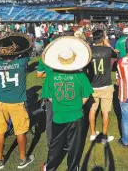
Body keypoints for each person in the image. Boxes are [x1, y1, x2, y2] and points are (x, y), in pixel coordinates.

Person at [41, 36, 94, 171]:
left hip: (58, 114)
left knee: (55, 143)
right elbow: (86, 96)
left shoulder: (51, 76)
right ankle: (72, 167)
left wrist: (60, 103)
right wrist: (76, 105)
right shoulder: (81, 76)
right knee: (74, 145)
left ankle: (50, 166)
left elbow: (49, 97)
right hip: (76, 115)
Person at [0, 33, 34, 169]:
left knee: (0, 131)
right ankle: (23, 159)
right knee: (20, 131)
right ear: (15, 50)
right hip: (17, 102)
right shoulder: (22, 61)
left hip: (1, 102)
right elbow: (28, 48)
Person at [87, 30, 117, 144]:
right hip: (106, 85)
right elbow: (115, 54)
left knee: (92, 110)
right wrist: (108, 44)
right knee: (105, 112)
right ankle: (104, 136)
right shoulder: (108, 50)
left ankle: (93, 133)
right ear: (103, 38)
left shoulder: (89, 50)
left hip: (93, 85)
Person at [36, 57, 53, 149]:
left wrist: (49, 74)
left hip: (49, 90)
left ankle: (50, 143)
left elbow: (39, 74)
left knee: (50, 118)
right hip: (64, 88)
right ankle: (64, 141)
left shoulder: (44, 58)